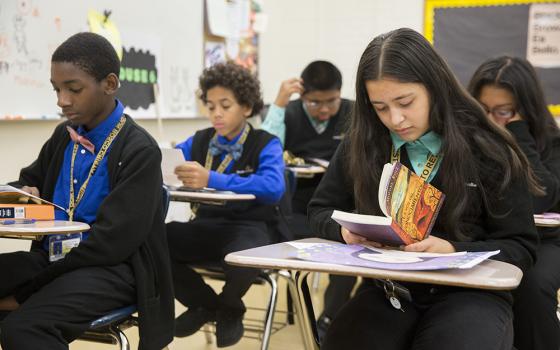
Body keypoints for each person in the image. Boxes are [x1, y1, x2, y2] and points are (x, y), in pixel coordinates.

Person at [308, 28, 540, 350]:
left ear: (434, 87)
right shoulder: (362, 145)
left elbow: (521, 247)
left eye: (405, 102)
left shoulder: (489, 150)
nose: (396, 119)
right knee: (346, 339)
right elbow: (319, 210)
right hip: (392, 291)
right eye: (380, 107)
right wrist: (345, 233)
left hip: (471, 293)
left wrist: (456, 250)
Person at [0, 32, 174, 350]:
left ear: (109, 84)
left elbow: (110, 246)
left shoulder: (140, 150)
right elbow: (28, 182)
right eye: (57, 90)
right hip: (55, 258)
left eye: (73, 89)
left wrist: (25, 293)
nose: (62, 100)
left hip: (112, 269)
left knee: (23, 328)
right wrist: (17, 195)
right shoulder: (64, 136)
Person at [167, 62, 285, 347]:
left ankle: (230, 305)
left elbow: (273, 187)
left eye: (225, 105)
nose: (216, 114)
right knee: (154, 240)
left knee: (246, 254)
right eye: (210, 106)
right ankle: (205, 304)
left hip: (249, 227)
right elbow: (168, 161)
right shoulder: (199, 141)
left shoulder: (265, 142)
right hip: (205, 226)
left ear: (246, 107)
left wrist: (212, 178)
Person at [468, 56, 560, 350]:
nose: (492, 120)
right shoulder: (469, 138)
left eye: (504, 111)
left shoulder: (551, 141)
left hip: (545, 241)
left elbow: (541, 196)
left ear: (524, 110)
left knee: (531, 284)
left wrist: (518, 137)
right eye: (483, 109)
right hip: (490, 235)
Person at [261, 60, 356, 339]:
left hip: (342, 208)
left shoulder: (354, 113)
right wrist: (279, 103)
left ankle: (327, 320)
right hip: (298, 209)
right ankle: (307, 316)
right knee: (293, 245)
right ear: (302, 96)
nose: (324, 109)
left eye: (331, 101)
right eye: (315, 103)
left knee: (351, 255)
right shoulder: (288, 113)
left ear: (340, 93)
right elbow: (263, 148)